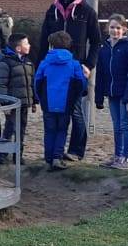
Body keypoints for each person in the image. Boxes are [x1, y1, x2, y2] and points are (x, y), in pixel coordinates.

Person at [35, 0, 101, 161]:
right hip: (55, 69)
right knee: (56, 114)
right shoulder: (52, 11)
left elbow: (96, 42)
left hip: (76, 67)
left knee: (76, 110)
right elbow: (43, 40)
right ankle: (54, 151)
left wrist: (88, 65)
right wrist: (41, 64)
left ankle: (76, 150)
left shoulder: (87, 12)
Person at [32, 30, 87, 171]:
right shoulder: (74, 64)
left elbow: (37, 82)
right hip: (66, 103)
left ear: (51, 46)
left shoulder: (45, 63)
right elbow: (81, 83)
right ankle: (57, 157)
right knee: (62, 130)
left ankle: (48, 158)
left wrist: (40, 98)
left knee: (49, 130)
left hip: (48, 103)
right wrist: (75, 97)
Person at [94, 14, 128, 170]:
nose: (115, 30)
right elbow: (101, 73)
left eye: (118, 28)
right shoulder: (104, 49)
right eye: (112, 27)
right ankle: (118, 156)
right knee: (116, 125)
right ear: (107, 28)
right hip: (111, 92)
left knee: (125, 125)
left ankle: (127, 158)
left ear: (124, 29)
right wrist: (99, 95)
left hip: (125, 93)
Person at [0, 33, 35, 164]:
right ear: (18, 48)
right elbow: (1, 83)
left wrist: (33, 101)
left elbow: (31, 83)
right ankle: (2, 154)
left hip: (24, 103)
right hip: (12, 103)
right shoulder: (5, 62)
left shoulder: (28, 62)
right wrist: (5, 103)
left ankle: (18, 155)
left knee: (21, 129)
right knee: (10, 128)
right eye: (26, 43)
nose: (29, 46)